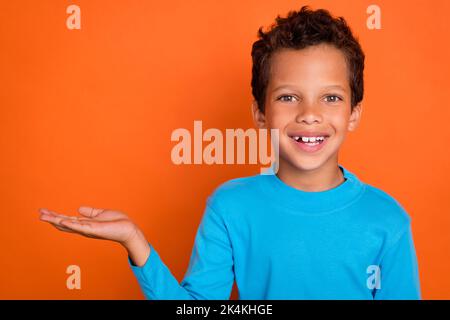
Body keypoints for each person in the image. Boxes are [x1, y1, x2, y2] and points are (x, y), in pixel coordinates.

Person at [39, 5, 421, 299]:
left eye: (330, 98)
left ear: (353, 113)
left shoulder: (387, 221)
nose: (309, 115)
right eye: (288, 97)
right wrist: (135, 242)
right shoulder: (231, 207)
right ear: (260, 111)